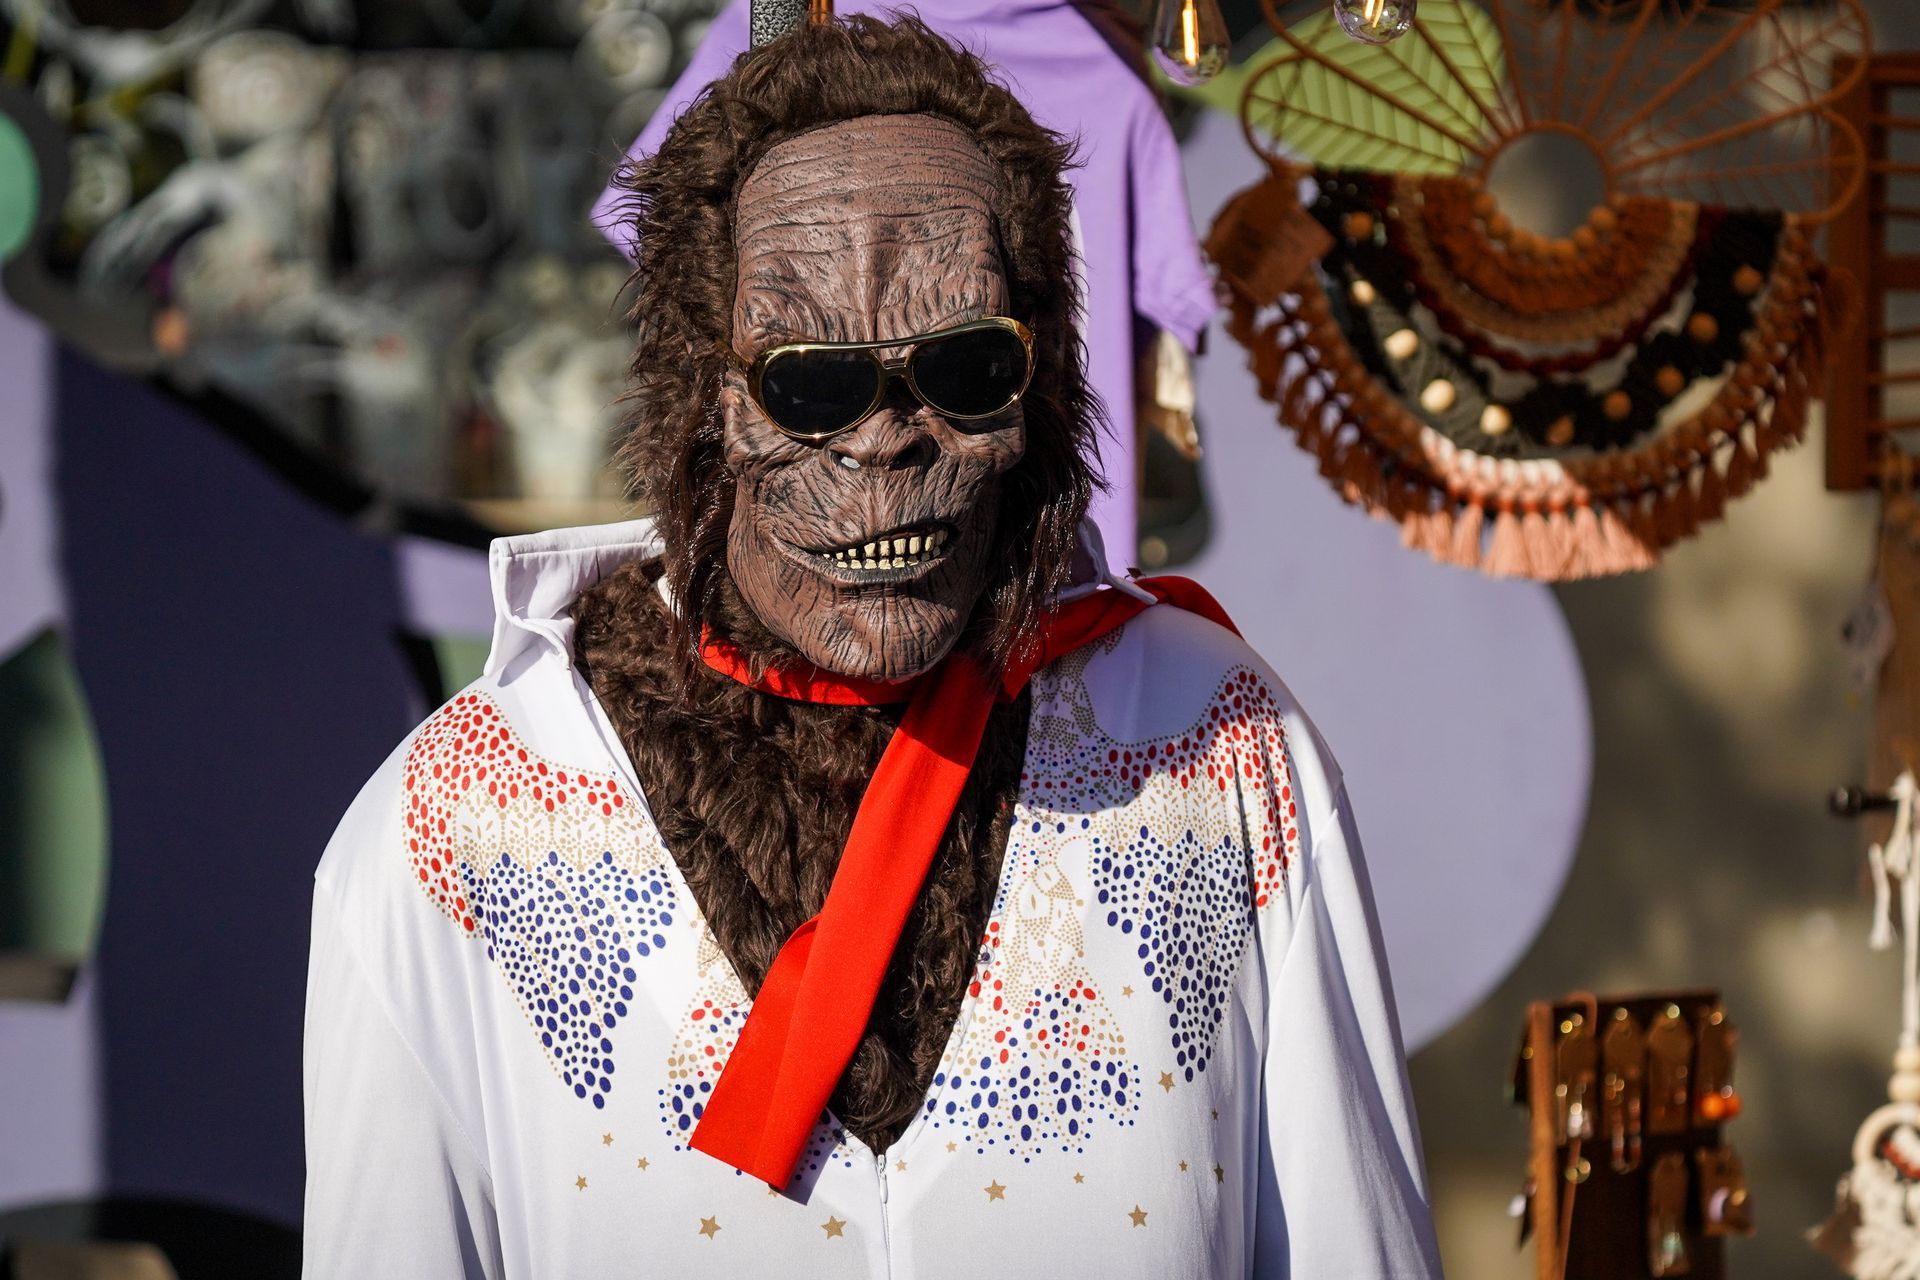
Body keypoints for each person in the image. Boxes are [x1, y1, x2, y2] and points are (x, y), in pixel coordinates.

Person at [301, 16, 1443, 1277]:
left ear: (1042, 380)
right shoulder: (444, 837)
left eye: (963, 366)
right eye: (809, 381)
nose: (887, 440)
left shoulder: (1218, 758)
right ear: (700, 396)